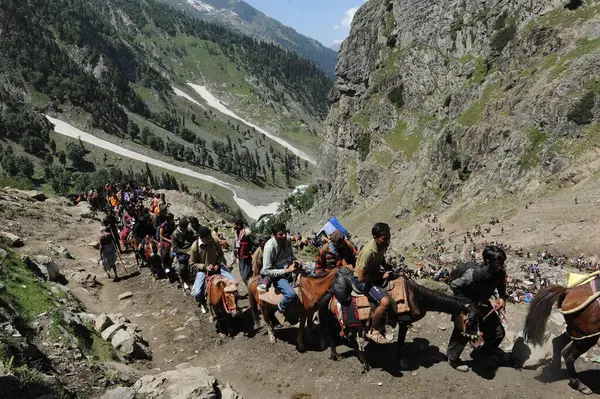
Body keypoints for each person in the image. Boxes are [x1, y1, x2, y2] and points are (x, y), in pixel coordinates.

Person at [447, 245, 509, 372]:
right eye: (499, 262)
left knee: (498, 333)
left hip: (483, 303)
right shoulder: (472, 275)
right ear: (487, 261)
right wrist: (468, 306)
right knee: (464, 331)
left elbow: (502, 290)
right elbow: (454, 285)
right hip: (466, 303)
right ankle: (453, 359)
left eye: (503, 262)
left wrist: (502, 299)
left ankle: (481, 353)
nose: (502, 265)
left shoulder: (500, 273)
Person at [352, 222, 394, 344]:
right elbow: (360, 277)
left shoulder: (382, 246)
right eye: (385, 238)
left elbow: (381, 259)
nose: (387, 240)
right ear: (375, 237)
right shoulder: (368, 251)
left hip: (373, 274)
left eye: (389, 237)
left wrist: (387, 267)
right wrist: (380, 276)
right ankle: (372, 329)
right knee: (384, 301)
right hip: (362, 280)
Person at [261, 222, 300, 326]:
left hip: (290, 270)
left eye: (285, 233)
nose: (284, 236)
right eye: (280, 234)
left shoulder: (287, 240)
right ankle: (280, 310)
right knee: (291, 294)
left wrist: (296, 261)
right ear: (274, 235)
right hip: (278, 275)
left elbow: (291, 256)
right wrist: (285, 271)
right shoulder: (269, 247)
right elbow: (266, 270)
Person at [191, 226, 236, 313]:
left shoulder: (214, 241)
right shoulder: (195, 246)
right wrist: (205, 267)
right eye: (207, 237)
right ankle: (203, 303)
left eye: (210, 236)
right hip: (203, 271)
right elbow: (192, 263)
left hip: (217, 267)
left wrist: (217, 264)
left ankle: (232, 303)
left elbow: (220, 254)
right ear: (202, 238)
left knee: (233, 282)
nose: (209, 239)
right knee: (197, 293)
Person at [171, 218, 195, 290]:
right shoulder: (175, 234)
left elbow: (194, 237)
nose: (187, 227)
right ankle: (185, 280)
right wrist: (186, 251)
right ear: (182, 227)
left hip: (191, 249)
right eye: (186, 226)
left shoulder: (189, 230)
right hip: (182, 253)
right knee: (182, 268)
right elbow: (175, 248)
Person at [233, 219, 253, 285]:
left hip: (246, 255)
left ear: (238, 225)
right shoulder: (236, 232)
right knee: (242, 271)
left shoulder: (247, 232)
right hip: (240, 254)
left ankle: (250, 285)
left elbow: (251, 243)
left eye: (234, 224)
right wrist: (234, 252)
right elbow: (235, 242)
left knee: (246, 272)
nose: (233, 226)